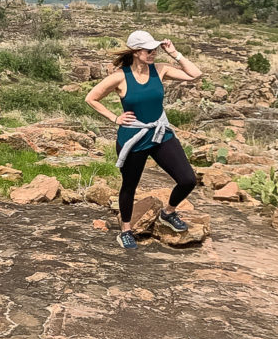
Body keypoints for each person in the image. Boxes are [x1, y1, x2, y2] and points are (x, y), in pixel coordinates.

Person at [85, 30, 203, 250]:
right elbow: (91, 98)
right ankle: (126, 230)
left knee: (187, 179)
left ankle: (167, 213)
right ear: (136, 52)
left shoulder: (160, 70)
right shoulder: (120, 77)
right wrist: (115, 118)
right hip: (133, 137)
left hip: (160, 133)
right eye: (149, 50)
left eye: (155, 49)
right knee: (130, 186)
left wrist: (175, 53)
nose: (154, 53)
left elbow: (195, 74)